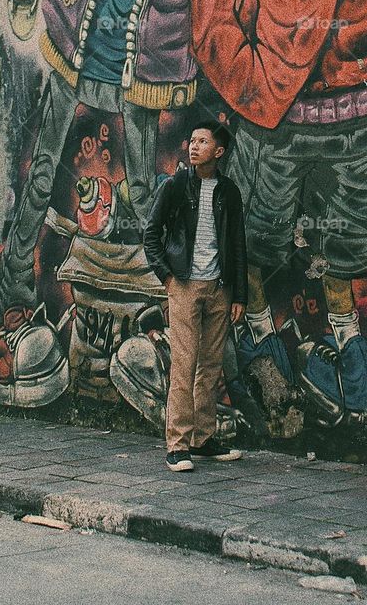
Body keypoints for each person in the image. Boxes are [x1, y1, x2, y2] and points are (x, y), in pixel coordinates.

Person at [143, 124, 248, 472]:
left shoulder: (229, 192)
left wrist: (239, 295)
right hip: (184, 285)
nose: (194, 146)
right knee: (184, 365)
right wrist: (167, 277)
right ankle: (177, 444)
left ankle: (203, 440)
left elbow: (237, 245)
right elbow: (151, 234)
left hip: (219, 288)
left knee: (210, 367)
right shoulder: (175, 186)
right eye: (193, 140)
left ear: (219, 151)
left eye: (203, 141)